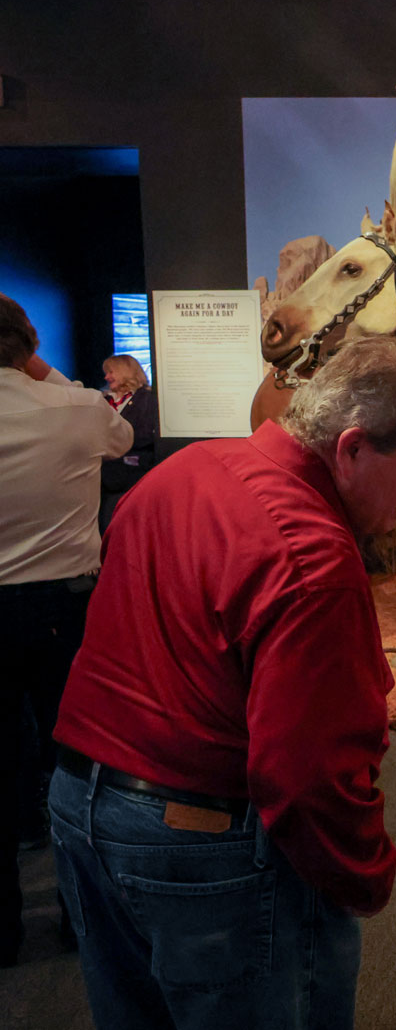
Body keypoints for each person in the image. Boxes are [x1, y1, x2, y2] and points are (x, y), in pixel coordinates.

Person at [50, 335, 396, 1028]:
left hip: (79, 813)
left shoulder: (184, 470)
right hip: (199, 844)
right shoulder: (314, 558)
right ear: (353, 448)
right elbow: (308, 776)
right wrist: (367, 876)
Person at [0, 292, 132, 966]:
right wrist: (39, 368)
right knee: (77, 758)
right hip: (63, 609)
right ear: (29, 345)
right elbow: (122, 436)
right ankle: (81, 916)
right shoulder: (78, 410)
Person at [98, 353, 158, 530]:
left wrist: (113, 441)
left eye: (111, 372)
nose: (106, 377)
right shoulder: (100, 401)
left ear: (126, 371)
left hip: (132, 479)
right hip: (100, 480)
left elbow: (146, 435)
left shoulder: (148, 400)